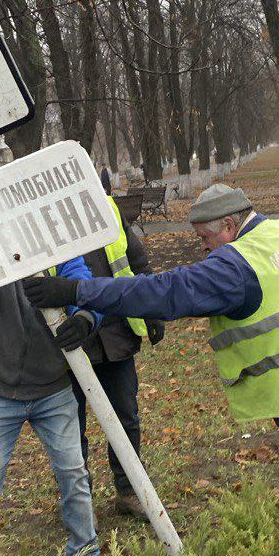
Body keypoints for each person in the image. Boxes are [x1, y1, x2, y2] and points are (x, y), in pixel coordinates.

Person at [24, 183, 279, 542]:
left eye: (205, 239)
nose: (202, 249)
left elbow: (163, 292)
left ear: (229, 226)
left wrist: (77, 292)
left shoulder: (235, 266)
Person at [0, 259, 101, 556]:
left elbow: (82, 282)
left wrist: (85, 318)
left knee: (74, 475)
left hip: (53, 387)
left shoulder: (50, 234)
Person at [74, 195, 165, 519]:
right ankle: (78, 502)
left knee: (125, 417)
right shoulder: (43, 215)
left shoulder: (106, 206)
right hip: (68, 342)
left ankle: (128, 491)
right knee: (71, 428)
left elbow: (136, 261)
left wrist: (152, 309)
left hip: (114, 335)